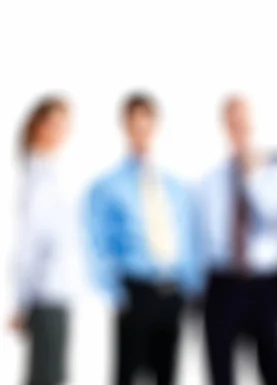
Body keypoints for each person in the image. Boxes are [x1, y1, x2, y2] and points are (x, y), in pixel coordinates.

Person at [85, 93, 202, 385]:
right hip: (135, 292)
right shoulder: (107, 186)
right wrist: (114, 291)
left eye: (146, 126)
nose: (142, 133)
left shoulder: (173, 185)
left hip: (172, 292)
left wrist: (191, 285)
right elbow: (97, 242)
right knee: (128, 374)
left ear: (155, 127)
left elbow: (185, 237)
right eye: (135, 126)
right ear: (125, 127)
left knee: (167, 374)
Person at [194, 95, 277, 385]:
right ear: (225, 126)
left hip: (266, 284)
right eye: (232, 122)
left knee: (272, 368)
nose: (238, 128)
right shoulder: (212, 180)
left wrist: (252, 173)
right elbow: (204, 237)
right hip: (223, 283)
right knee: (220, 369)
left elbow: (270, 210)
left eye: (243, 121)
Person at [9, 96, 73, 385]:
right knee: (45, 377)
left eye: (64, 124)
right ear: (38, 126)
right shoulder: (36, 178)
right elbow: (27, 246)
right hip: (43, 295)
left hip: (58, 293)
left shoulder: (52, 173)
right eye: (54, 123)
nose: (61, 131)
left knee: (52, 375)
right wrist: (21, 302)